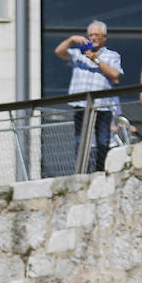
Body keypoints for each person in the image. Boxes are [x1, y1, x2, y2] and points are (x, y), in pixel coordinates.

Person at [53, 22, 121, 173]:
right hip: (81, 105)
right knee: (81, 140)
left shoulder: (112, 55)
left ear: (104, 37)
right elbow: (59, 52)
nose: (93, 38)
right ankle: (81, 173)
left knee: (103, 141)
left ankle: (102, 171)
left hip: (102, 106)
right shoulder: (78, 53)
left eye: (97, 35)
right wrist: (71, 40)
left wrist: (95, 59)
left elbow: (116, 74)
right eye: (91, 35)